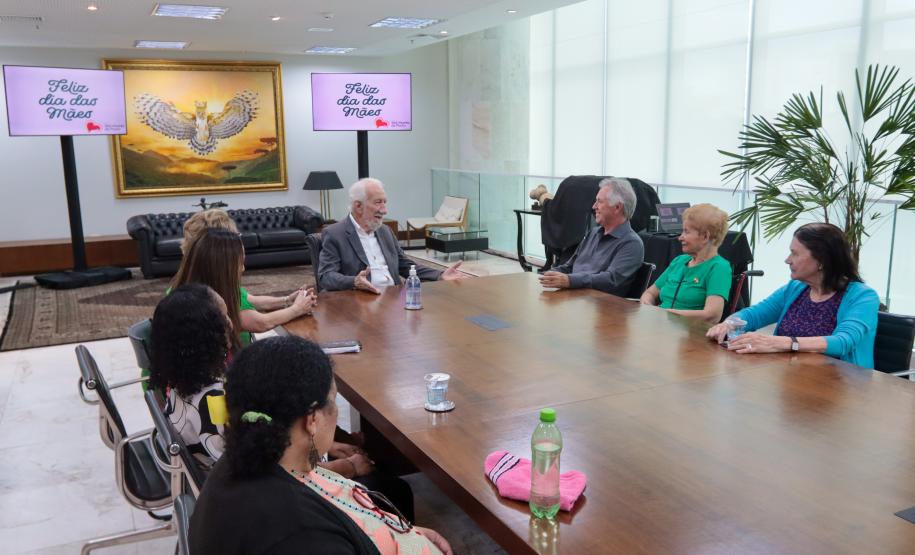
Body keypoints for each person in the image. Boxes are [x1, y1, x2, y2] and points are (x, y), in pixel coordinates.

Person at [190, 336, 453, 555]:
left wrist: (403, 535)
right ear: (313, 420)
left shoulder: (250, 457)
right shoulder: (300, 534)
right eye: (334, 402)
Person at [706, 222, 879, 368]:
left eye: (795, 253)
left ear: (821, 261)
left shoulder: (863, 297)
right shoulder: (795, 288)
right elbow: (754, 314)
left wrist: (779, 342)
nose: (788, 260)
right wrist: (728, 324)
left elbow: (843, 342)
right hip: (793, 377)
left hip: (843, 387)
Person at [171, 228, 316, 347]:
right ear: (222, 267)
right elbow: (261, 323)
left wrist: (287, 300)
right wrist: (297, 309)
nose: (243, 268)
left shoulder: (192, 289)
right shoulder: (208, 303)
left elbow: (252, 300)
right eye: (240, 263)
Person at [318, 177, 467, 293]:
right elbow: (326, 276)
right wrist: (354, 281)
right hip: (360, 300)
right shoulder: (335, 234)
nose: (384, 210)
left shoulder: (385, 231)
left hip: (393, 298)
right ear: (358, 206)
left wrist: (439, 275)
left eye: (385, 202)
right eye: (378, 203)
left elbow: (405, 265)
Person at [151, 284, 231, 466]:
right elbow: (238, 470)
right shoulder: (214, 401)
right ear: (209, 336)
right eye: (224, 318)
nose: (231, 323)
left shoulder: (180, 380)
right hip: (222, 486)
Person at [538, 177, 644, 295]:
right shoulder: (593, 233)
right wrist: (543, 276)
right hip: (575, 298)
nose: (594, 206)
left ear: (617, 207)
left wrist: (570, 281)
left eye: (599, 201)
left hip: (603, 308)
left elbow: (611, 279)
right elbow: (569, 267)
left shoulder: (632, 244)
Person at [640, 203, 732, 324]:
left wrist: (665, 315)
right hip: (660, 327)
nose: (680, 237)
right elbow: (650, 293)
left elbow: (712, 315)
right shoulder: (679, 261)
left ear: (705, 236)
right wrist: (647, 305)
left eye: (686, 232)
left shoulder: (719, 268)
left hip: (690, 336)